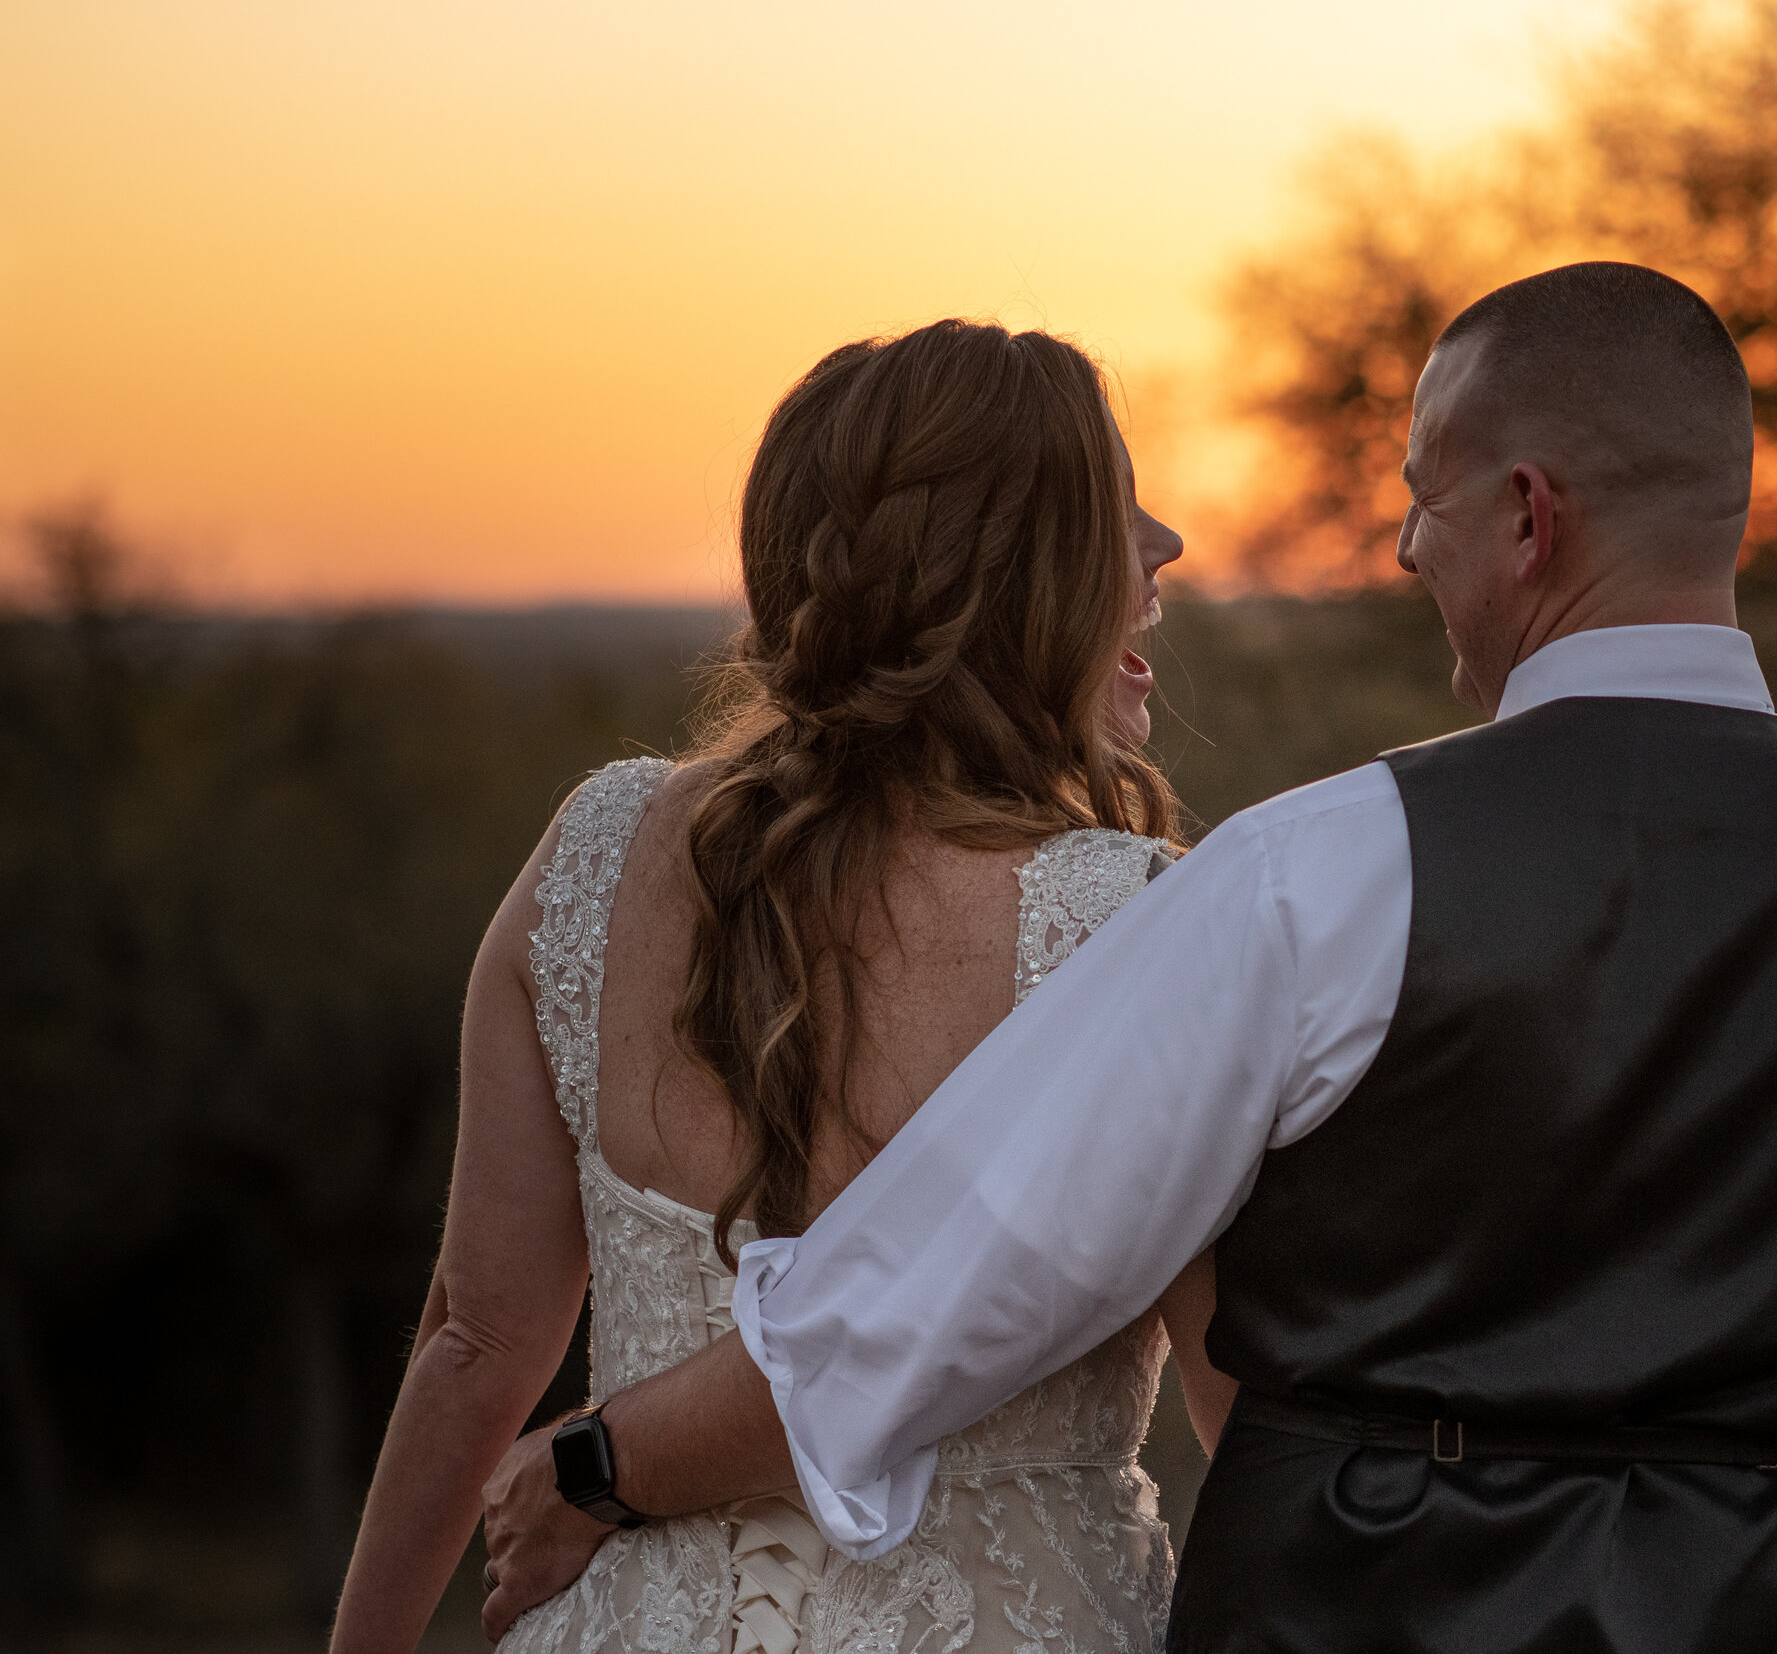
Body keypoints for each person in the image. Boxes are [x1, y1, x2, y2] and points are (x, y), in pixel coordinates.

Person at [480, 265, 1777, 1654]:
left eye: (1426, 501)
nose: (1399, 545)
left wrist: (594, 1469)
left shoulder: (1318, 876)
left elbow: (943, 1274)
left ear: (1533, 518)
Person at [325, 319, 1230, 1654]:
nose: (1167, 549)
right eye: (1118, 512)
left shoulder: (598, 850)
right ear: (1016, 572)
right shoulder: (1132, 924)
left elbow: (471, 1344)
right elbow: (1242, 1404)